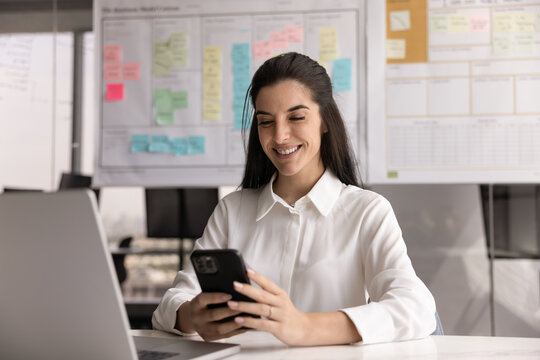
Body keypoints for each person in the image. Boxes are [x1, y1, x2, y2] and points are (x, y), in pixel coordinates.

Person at [152, 52, 436, 345]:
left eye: (296, 117)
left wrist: (304, 327)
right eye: (265, 122)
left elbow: (416, 308)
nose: (280, 136)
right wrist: (191, 317)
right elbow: (169, 306)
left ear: (325, 120)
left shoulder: (367, 211)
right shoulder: (232, 210)